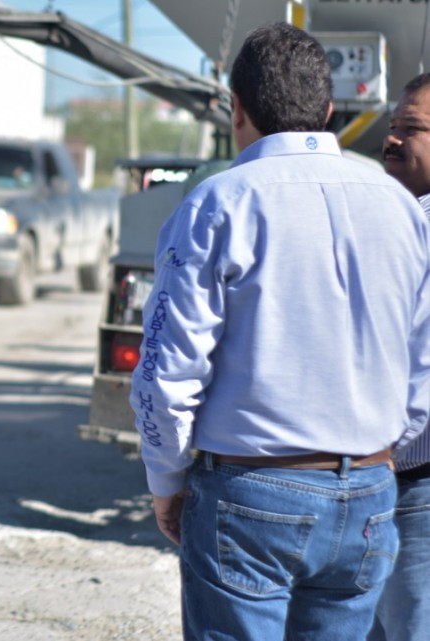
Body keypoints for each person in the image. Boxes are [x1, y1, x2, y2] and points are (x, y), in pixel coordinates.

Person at [128, 23, 430, 640]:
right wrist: (376, 457)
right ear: (327, 110)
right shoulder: (399, 205)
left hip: (250, 490)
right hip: (372, 491)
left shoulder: (219, 202)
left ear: (236, 108)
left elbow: (168, 370)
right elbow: (422, 362)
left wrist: (166, 480)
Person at [369, 72, 430, 641]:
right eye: (391, 126)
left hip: (411, 480)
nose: (390, 139)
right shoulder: (404, 218)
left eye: (410, 129)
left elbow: (424, 371)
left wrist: (376, 458)